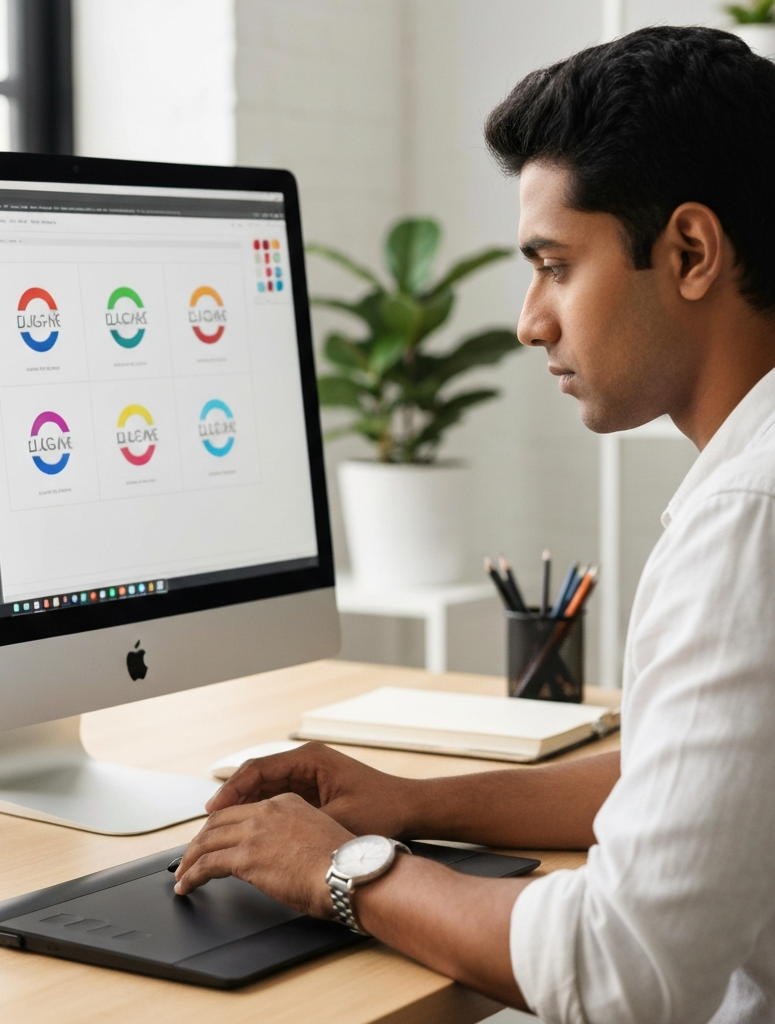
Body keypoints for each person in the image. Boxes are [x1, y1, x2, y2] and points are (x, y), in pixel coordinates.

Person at [174, 26, 775, 1024]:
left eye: (553, 263)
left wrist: (346, 867)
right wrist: (413, 803)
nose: (529, 318)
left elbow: (627, 970)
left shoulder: (744, 519)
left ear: (689, 251)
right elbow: (697, 785)